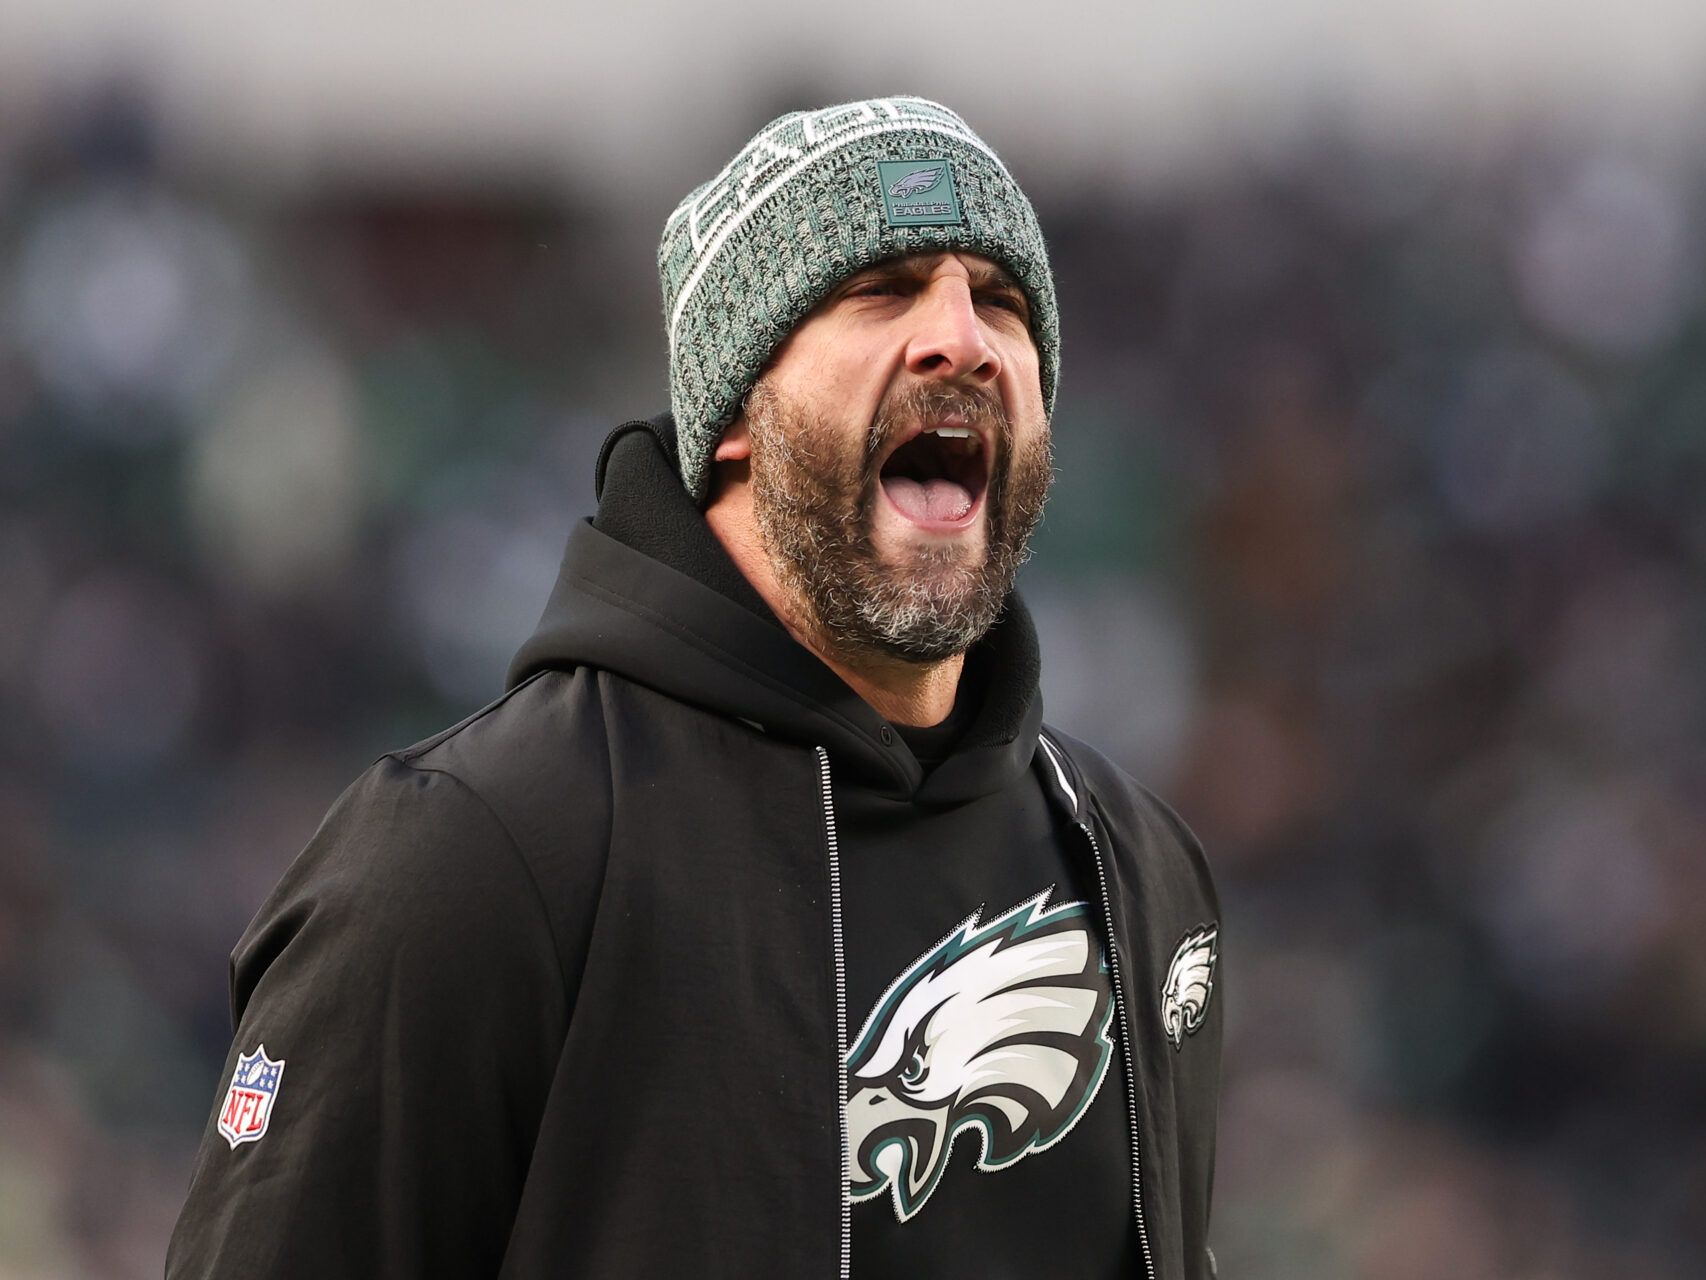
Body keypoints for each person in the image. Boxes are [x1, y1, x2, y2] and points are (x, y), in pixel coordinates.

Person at [167, 95, 1223, 1278]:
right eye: (881, 292)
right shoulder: (476, 850)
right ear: (736, 419)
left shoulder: (1138, 863)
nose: (964, 340)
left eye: (1005, 303)